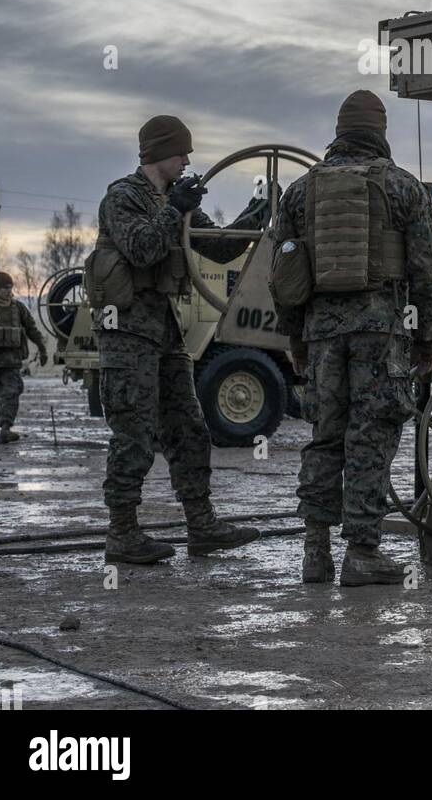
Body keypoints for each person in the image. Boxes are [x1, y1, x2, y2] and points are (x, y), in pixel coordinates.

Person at [273, 90, 432, 586]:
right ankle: (363, 552)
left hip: (321, 337)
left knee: (324, 437)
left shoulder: (299, 192)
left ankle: (315, 554)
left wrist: (295, 338)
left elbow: (283, 275)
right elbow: (426, 273)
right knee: (370, 436)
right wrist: (427, 338)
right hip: (379, 333)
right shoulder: (404, 188)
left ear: (340, 131)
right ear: (380, 131)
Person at [89, 114, 262, 565]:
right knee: (134, 434)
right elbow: (142, 248)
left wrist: (258, 210)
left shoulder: (175, 200)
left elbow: (219, 247)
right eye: (181, 152)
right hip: (127, 334)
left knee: (189, 429)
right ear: (159, 153)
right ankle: (122, 534)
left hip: (164, 332)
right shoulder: (122, 197)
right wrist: (175, 208)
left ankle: (202, 526)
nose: (187, 160)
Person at [0, 272, 48, 443]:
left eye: (10, 288)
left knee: (11, 395)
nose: (8, 291)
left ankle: (5, 429)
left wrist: (42, 348)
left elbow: (32, 329)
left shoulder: (18, 308)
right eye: (5, 288)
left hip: (11, 362)